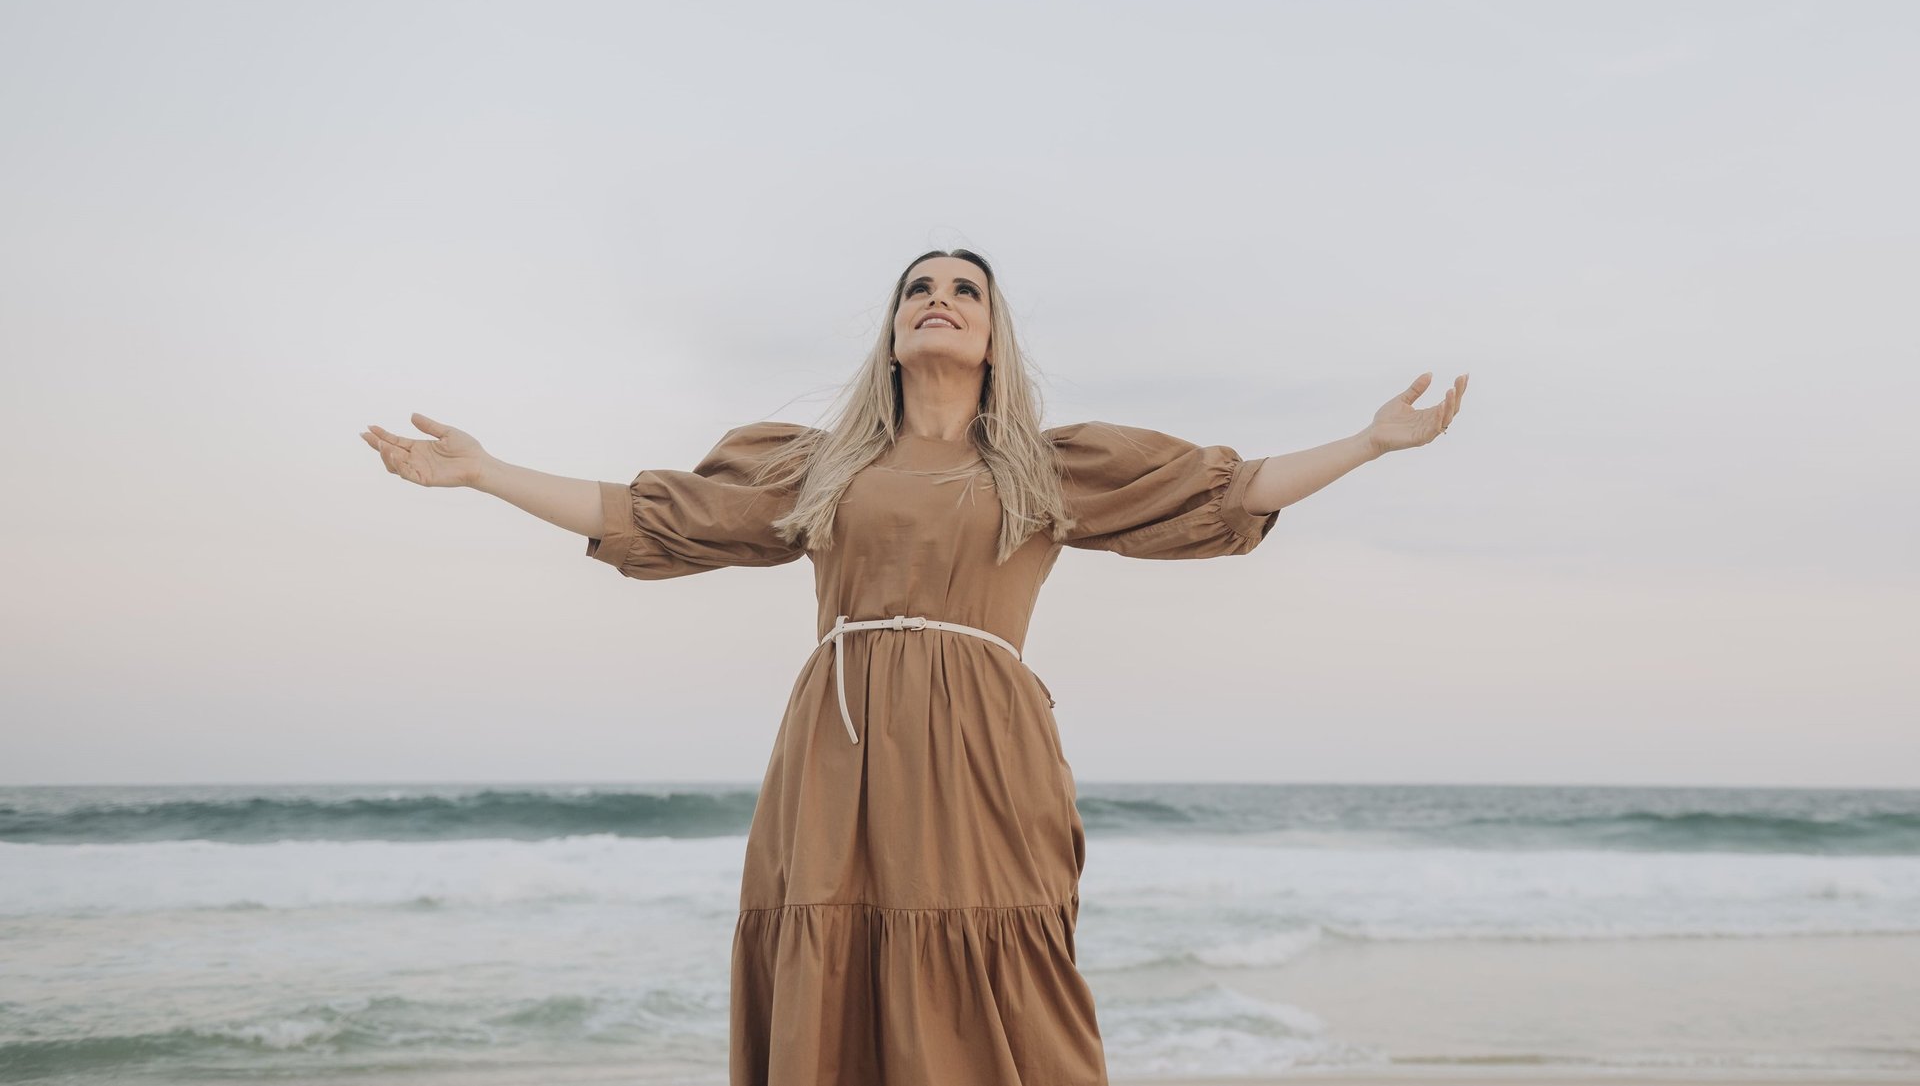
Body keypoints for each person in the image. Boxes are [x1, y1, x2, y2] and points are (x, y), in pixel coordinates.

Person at [361, 248, 1466, 1085]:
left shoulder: (1047, 464)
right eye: (919, 288)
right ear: (893, 334)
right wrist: (487, 472)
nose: (940, 296)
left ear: (995, 337)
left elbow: (1227, 492)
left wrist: (1368, 444)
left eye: (966, 290)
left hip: (985, 742)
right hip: (835, 747)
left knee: (1001, 955)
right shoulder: (820, 466)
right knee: (832, 953)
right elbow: (657, 514)